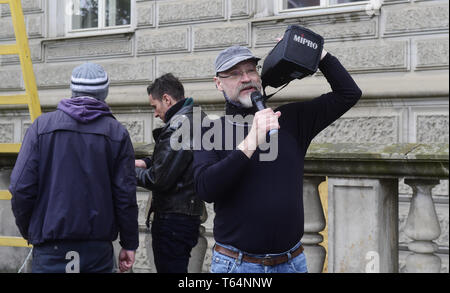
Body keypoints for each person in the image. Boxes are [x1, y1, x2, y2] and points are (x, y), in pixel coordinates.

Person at [193, 45, 362, 273]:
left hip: (292, 262)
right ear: (218, 83)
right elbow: (206, 188)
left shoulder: (290, 120)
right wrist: (252, 139)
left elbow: (348, 94)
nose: (245, 79)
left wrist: (314, 51)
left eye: (251, 70)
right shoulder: (209, 131)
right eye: (234, 74)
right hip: (236, 265)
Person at [9, 62, 139, 273]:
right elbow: (125, 195)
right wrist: (129, 242)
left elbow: (20, 187)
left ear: (73, 90)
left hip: (50, 249)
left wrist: (31, 231)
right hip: (97, 251)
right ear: (103, 93)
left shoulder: (42, 127)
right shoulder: (116, 133)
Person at [135, 73, 205, 273]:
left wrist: (127, 171)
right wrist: (146, 162)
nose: (155, 114)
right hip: (186, 216)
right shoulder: (196, 116)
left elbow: (158, 178)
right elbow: (179, 161)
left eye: (154, 106)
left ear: (167, 99)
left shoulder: (179, 125)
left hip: (173, 220)